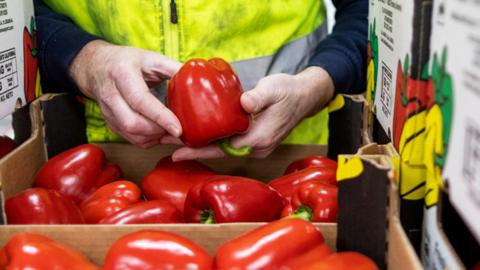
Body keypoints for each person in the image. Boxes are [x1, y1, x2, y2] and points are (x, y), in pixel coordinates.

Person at [35, 0, 367, 161]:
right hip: (87, 156)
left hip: (294, 154)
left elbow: (374, 8)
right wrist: (85, 58)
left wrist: (321, 80)